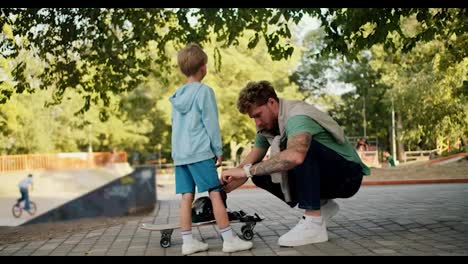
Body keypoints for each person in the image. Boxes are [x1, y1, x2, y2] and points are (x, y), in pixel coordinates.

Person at [221, 81, 370, 247]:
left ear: (271, 102)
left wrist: (247, 171)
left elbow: (295, 156)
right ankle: (323, 205)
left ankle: (313, 223)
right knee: (259, 174)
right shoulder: (268, 127)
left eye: (258, 115)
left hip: (348, 176)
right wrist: (224, 187)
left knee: (299, 151)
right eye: (253, 118)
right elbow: (248, 163)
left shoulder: (297, 116)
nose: (257, 123)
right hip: (327, 176)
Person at [169, 43, 253, 255]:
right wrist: (217, 149)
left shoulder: (177, 96)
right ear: (204, 67)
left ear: (182, 69)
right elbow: (210, 123)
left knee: (186, 197)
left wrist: (176, 154)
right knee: (215, 193)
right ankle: (228, 239)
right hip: (199, 152)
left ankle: (188, 243)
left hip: (180, 156)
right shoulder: (204, 92)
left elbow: (175, 127)